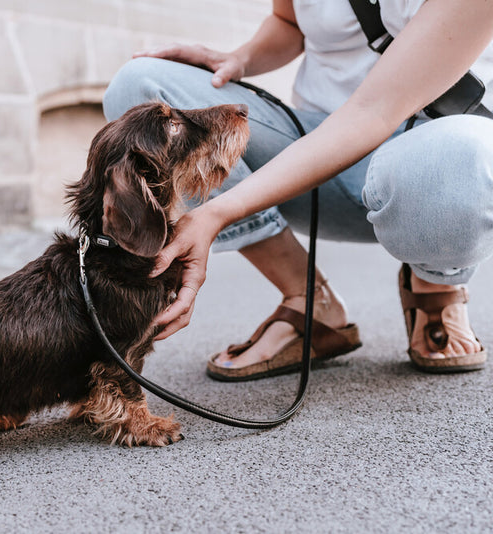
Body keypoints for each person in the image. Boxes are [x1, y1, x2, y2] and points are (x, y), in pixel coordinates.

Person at [102, 0, 493, 380]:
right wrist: (241, 58)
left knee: (460, 156)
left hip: (434, 170)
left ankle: (435, 282)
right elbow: (288, 23)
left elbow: (372, 112)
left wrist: (216, 214)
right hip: (314, 151)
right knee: (140, 84)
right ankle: (308, 297)